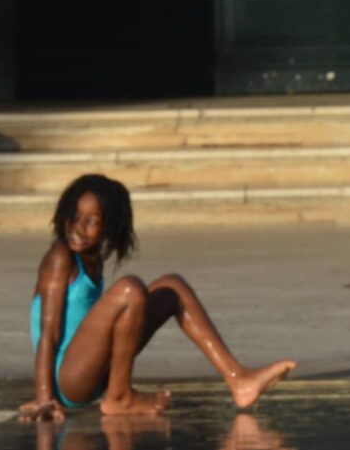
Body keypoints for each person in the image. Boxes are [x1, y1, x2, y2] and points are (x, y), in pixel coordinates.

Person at [20, 172, 297, 423]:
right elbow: (49, 333)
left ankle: (239, 380)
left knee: (172, 286)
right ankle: (119, 397)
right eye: (75, 216)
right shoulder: (59, 257)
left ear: (108, 228)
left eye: (91, 221)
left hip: (92, 373)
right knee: (129, 289)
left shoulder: (92, 260)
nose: (78, 227)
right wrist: (45, 397)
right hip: (67, 380)